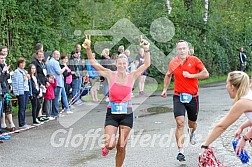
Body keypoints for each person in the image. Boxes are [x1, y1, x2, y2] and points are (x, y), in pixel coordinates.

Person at [83, 35, 150, 167]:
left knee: (122, 146)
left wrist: (146, 49)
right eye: (119, 63)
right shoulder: (109, 74)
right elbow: (93, 63)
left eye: (124, 63)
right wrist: (89, 48)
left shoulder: (133, 75)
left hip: (127, 114)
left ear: (127, 64)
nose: (122, 65)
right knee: (110, 144)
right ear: (116, 64)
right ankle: (106, 147)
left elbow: (147, 64)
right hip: (112, 113)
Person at [161, 40, 209, 162]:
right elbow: (168, 75)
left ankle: (192, 133)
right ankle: (180, 151)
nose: (182, 51)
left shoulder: (194, 60)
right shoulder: (173, 62)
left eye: (184, 48)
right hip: (178, 96)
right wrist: (165, 89)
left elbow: (206, 74)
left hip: (193, 97)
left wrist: (192, 76)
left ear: (188, 49)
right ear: (177, 50)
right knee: (180, 122)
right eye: (179, 49)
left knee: (192, 123)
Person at [199, 71, 252, 162]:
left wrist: (205, 145)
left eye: (227, 83)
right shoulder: (249, 95)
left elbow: (221, 126)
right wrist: (242, 127)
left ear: (232, 87)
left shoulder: (243, 102)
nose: (226, 86)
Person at [46, 50, 68, 117]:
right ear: (53, 55)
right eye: (56, 54)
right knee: (56, 98)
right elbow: (59, 72)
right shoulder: (55, 62)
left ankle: (53, 112)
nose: (58, 56)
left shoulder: (49, 62)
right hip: (57, 82)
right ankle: (55, 112)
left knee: (53, 97)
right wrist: (65, 68)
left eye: (58, 54)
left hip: (52, 82)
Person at [12, 58, 32, 128]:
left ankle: (23, 122)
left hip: (26, 90)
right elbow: (15, 83)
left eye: (24, 63)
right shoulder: (17, 72)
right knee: (22, 107)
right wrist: (16, 93)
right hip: (21, 91)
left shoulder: (25, 71)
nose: (23, 64)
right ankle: (22, 123)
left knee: (25, 107)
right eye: (21, 63)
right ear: (19, 64)